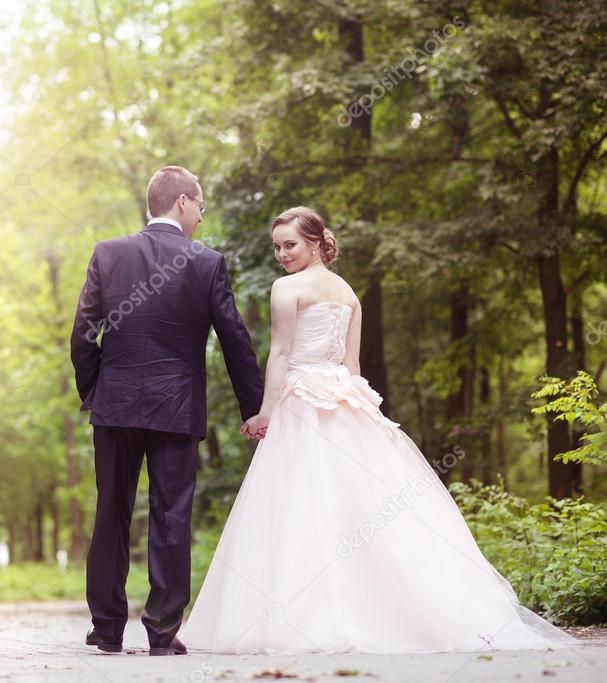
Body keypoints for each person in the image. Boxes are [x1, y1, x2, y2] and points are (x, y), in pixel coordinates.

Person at [179, 206, 580, 654]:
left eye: (290, 244)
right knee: (357, 507)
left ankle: (310, 617)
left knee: (302, 506)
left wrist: (267, 412)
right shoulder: (349, 292)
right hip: (344, 397)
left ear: (315, 242)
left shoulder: (286, 288)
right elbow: (352, 366)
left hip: (304, 399)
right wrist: (362, 408)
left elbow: (280, 353)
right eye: (276, 246)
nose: (281, 254)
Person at [69, 166, 263, 655]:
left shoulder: (108, 253)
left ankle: (107, 627)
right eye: (200, 204)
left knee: (110, 510)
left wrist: (96, 389)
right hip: (176, 407)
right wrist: (255, 407)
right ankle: (161, 631)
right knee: (171, 514)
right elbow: (235, 339)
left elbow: (81, 334)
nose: (200, 214)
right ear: (182, 202)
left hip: (114, 406)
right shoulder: (206, 262)